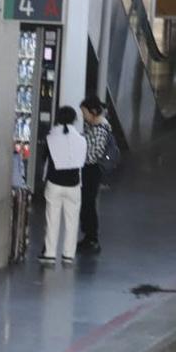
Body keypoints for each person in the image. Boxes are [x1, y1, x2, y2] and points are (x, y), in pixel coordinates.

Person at [39, 106, 88, 265]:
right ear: (74, 120)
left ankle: (50, 254)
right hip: (73, 185)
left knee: (52, 220)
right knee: (72, 221)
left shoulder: (50, 138)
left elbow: (44, 158)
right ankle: (68, 255)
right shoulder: (81, 139)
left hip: (54, 183)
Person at [78, 97, 113, 254]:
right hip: (89, 169)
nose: (83, 116)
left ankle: (91, 237)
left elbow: (94, 153)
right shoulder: (93, 125)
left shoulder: (100, 129)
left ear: (92, 112)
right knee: (87, 202)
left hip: (92, 170)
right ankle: (89, 235)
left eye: (84, 112)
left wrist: (79, 155)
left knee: (88, 202)